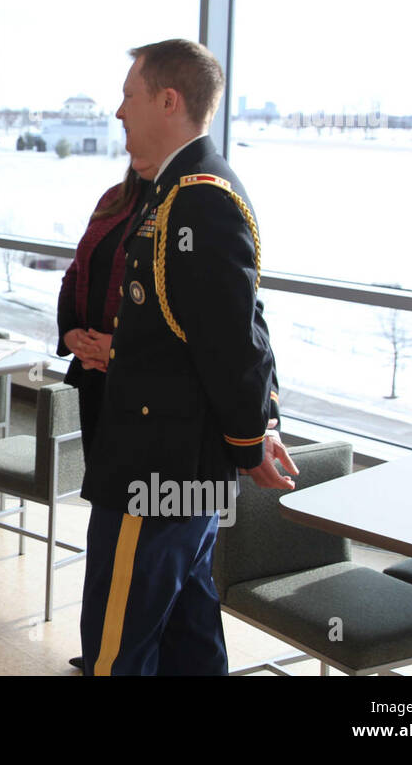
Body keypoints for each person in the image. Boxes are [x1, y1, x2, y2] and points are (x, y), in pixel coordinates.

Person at [79, 39, 296, 676]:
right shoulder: (170, 188)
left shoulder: (198, 195)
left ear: (168, 100)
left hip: (157, 466)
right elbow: (207, 327)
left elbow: (234, 338)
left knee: (118, 650)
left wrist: (253, 435)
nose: (119, 112)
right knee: (185, 635)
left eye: (128, 96)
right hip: (173, 461)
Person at [57, 165, 150, 459]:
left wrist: (117, 349)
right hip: (93, 372)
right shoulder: (115, 197)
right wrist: (71, 333)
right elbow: (77, 270)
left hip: (142, 383)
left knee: (136, 499)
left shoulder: (186, 202)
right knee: (102, 494)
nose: (121, 115)